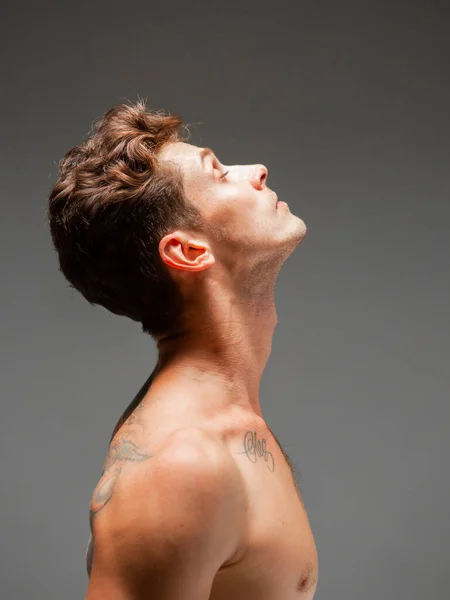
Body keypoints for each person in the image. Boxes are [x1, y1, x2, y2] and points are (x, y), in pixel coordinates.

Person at [48, 100, 318, 599]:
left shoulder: (231, 424)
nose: (257, 170)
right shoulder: (180, 467)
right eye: (218, 174)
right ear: (189, 251)